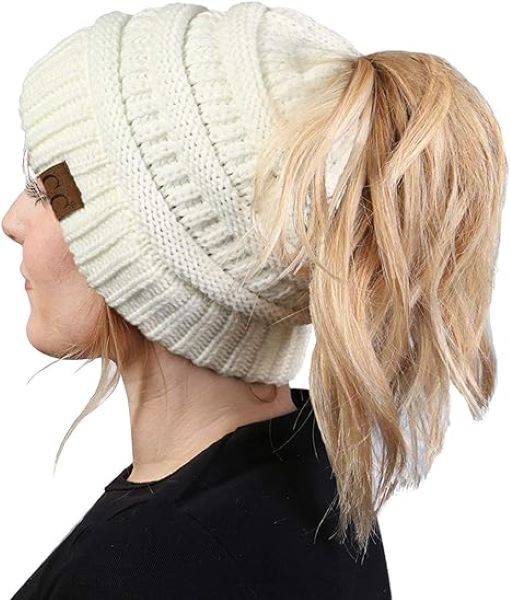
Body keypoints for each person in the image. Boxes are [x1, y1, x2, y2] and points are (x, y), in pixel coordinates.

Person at [2, 1, 506, 598]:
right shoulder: (305, 474)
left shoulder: (146, 569)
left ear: (161, 253)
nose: (12, 220)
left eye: (50, 190)